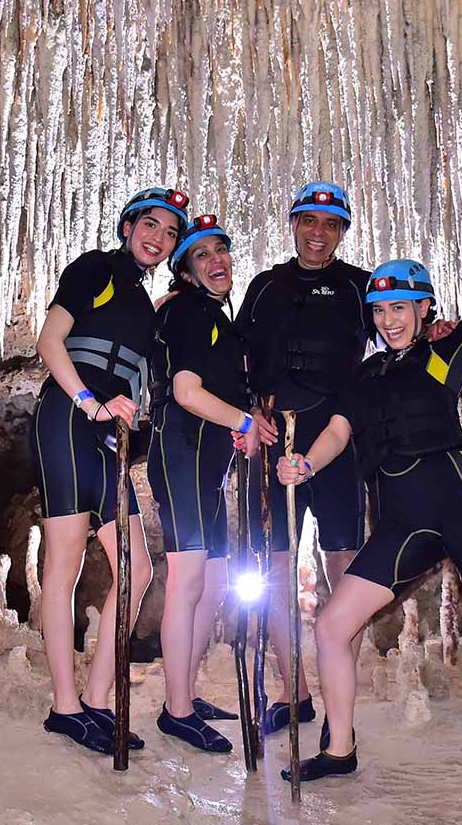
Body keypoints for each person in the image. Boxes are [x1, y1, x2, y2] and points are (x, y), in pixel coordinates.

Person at [276, 164, 462, 811]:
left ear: (424, 309)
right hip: (401, 522)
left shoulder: (449, 350)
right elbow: (336, 432)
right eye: (380, 310)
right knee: (331, 626)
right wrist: (303, 463)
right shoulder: (363, 375)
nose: (389, 319)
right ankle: (341, 747)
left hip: (461, 502)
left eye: (400, 308)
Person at [31, 186, 189, 754]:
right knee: (65, 562)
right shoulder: (95, 268)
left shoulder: (148, 307)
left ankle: (97, 700)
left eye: (171, 233)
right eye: (150, 225)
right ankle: (64, 708)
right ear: (128, 228)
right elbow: (50, 342)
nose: (158, 238)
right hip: (70, 420)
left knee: (138, 569)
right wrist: (88, 403)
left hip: (109, 438)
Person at [234, 181, 373, 734]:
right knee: (272, 571)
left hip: (338, 437)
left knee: (344, 567)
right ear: (294, 225)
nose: (318, 233)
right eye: (309, 222)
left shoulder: (360, 288)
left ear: (341, 232)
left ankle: (340, 686)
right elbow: (236, 356)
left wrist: (434, 333)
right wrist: (245, 415)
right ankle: (294, 693)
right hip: (273, 435)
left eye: (330, 224)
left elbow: (399, 335)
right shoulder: (266, 287)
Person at [147, 214, 272, 753]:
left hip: (209, 463)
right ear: (187, 272)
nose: (217, 260)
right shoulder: (189, 313)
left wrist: (242, 420)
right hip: (181, 454)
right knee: (189, 580)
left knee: (216, 582)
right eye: (202, 255)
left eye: (221, 249)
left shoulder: (216, 319)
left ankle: (187, 692)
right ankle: (175, 711)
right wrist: (244, 422)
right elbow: (186, 391)